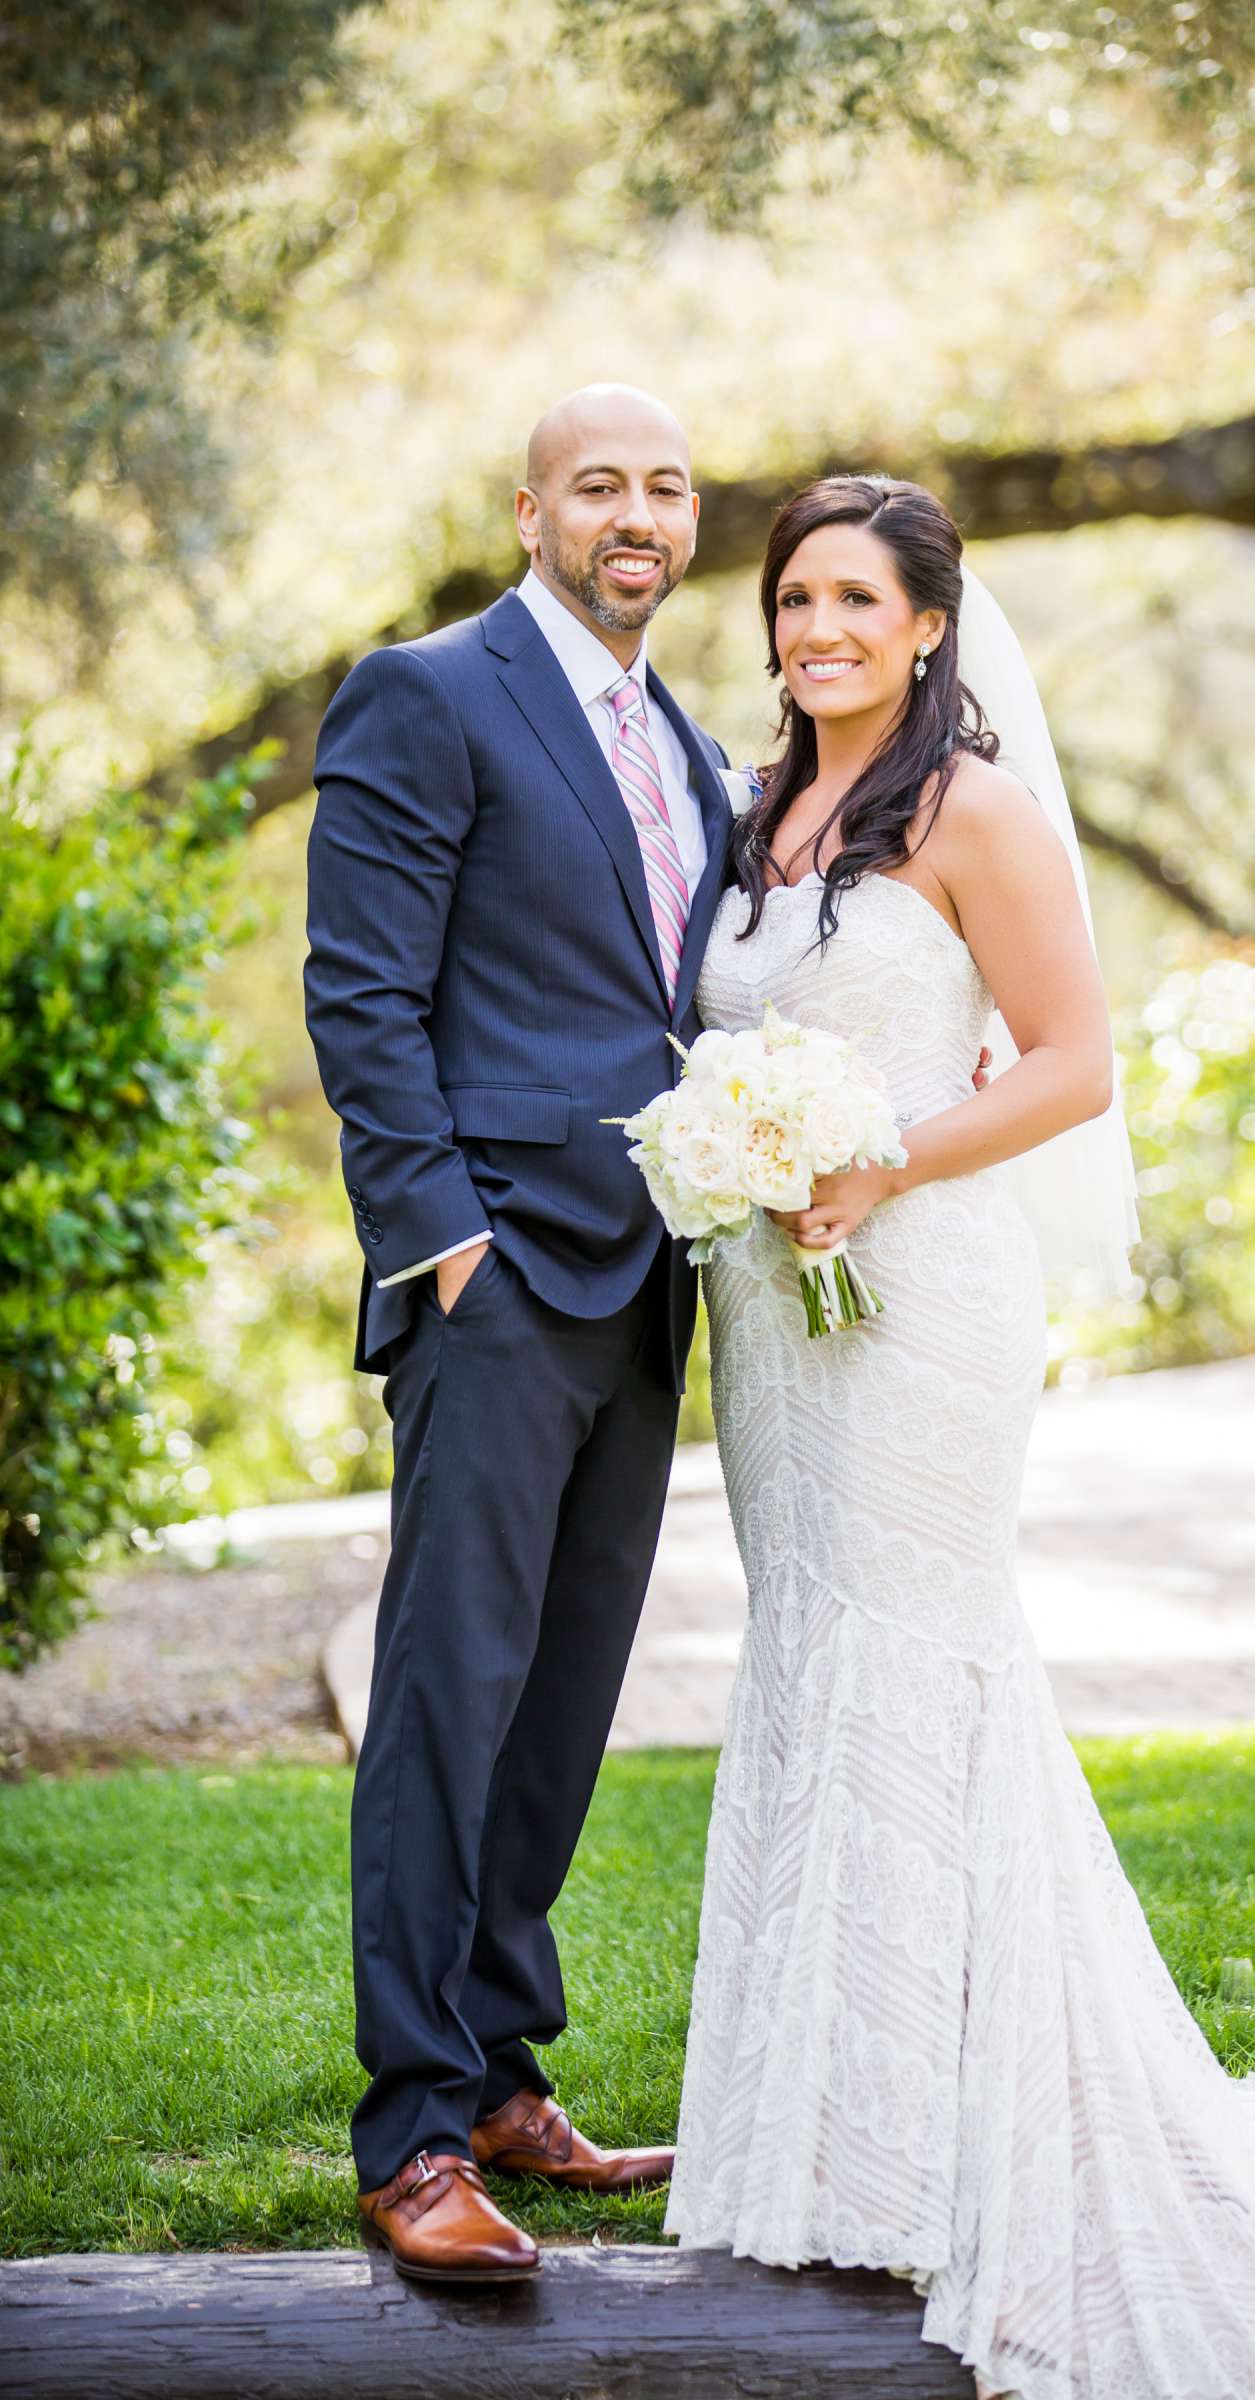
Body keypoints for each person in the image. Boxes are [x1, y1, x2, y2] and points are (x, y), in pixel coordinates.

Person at [664, 473, 1255, 2396]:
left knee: (922, 1662)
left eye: (856, 601)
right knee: (813, 1654)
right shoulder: (760, 815)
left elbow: (1081, 1061)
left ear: (930, 624)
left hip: (919, 1297)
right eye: (794, 600)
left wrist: (879, 1161)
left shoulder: (973, 809)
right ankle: (815, 2138)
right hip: (768, 1315)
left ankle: (944, 2140)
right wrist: (745, 1156)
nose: (818, 631)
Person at [304, 383, 735, 2280]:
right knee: (446, 1704)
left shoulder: (695, 740)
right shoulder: (432, 691)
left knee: (560, 1708)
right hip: (499, 1280)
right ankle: (409, 2141)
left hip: (647, 1279)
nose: (631, 514)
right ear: (529, 509)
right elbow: (360, 995)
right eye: (597, 486)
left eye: (662, 486)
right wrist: (441, 1248)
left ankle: (498, 2075)